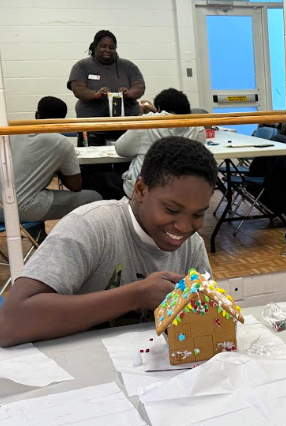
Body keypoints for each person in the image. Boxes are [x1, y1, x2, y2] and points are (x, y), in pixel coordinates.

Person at [0, 136, 217, 347]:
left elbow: (205, 320)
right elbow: (9, 324)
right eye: (171, 210)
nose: (184, 227)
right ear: (140, 190)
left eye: (198, 215)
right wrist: (137, 295)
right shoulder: (91, 226)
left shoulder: (192, 246)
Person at [0, 96, 101, 224]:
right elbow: (75, 186)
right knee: (93, 197)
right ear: (63, 121)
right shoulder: (60, 143)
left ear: (37, 115)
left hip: (1, 206)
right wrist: (59, 167)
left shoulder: (13, 131)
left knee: (37, 193)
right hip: (18, 209)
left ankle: (39, 236)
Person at [116, 88, 206, 198]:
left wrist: (145, 115)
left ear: (158, 108)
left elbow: (121, 149)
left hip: (144, 193)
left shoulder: (146, 123)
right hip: (182, 191)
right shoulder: (198, 128)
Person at [67, 29, 145, 146]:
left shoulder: (128, 66)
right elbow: (78, 89)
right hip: (94, 130)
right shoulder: (82, 66)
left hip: (126, 129)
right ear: (94, 47)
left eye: (111, 47)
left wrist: (129, 93)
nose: (107, 50)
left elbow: (139, 86)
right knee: (95, 164)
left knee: (125, 163)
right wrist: (96, 94)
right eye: (103, 46)